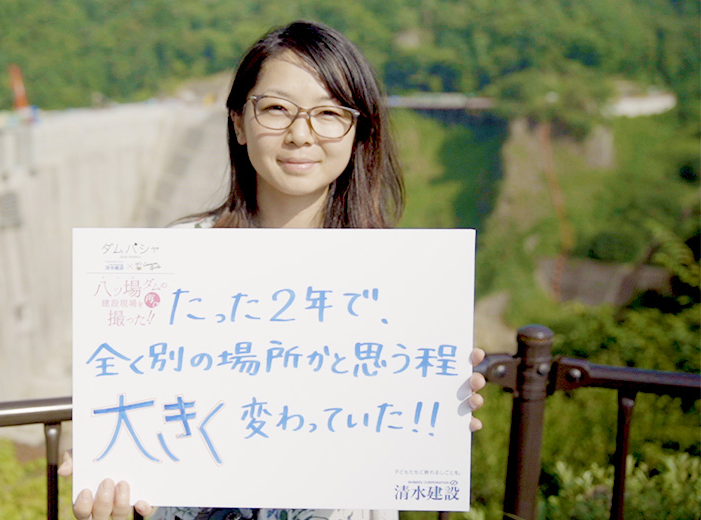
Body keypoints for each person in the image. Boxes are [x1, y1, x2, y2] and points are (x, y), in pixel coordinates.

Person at [59, 20, 486, 520]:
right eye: (277, 109)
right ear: (239, 123)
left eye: (329, 113)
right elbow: (132, 408)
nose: (301, 134)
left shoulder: (397, 282)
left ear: (359, 133)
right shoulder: (175, 257)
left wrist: (441, 408)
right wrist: (106, 472)